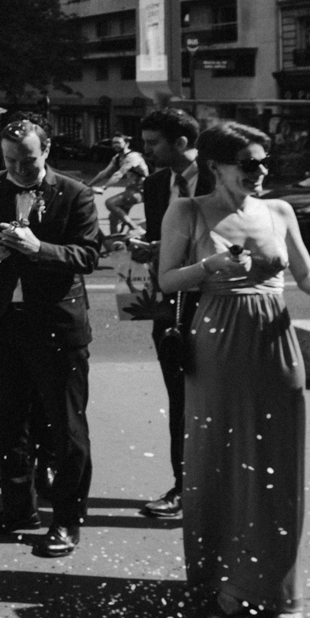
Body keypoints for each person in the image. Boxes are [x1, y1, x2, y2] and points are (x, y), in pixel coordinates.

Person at [156, 123, 310, 618]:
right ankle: (222, 584)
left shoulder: (280, 211)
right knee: (220, 460)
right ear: (217, 166)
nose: (261, 172)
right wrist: (212, 265)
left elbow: (306, 280)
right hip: (218, 342)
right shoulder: (189, 210)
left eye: (264, 162)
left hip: (275, 342)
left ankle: (274, 587)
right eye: (249, 163)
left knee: (276, 464)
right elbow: (167, 280)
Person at [0, 116, 102, 559]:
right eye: (11, 160)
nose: (19, 168)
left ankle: (67, 521)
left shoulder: (75, 193)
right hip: (0, 323)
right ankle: (19, 509)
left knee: (66, 428)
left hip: (56, 326)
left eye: (29, 160)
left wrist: (40, 249)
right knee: (7, 420)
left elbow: (89, 254)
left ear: (48, 150)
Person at [124, 107, 216, 521]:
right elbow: (161, 236)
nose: (146, 150)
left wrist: (168, 250)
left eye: (152, 143)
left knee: (215, 399)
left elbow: (231, 239)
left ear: (181, 143)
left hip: (214, 302)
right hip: (170, 306)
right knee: (179, 398)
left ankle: (219, 486)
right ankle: (184, 486)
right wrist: (144, 246)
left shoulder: (220, 178)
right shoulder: (158, 183)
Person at [88, 135, 150, 235]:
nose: (115, 145)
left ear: (126, 144)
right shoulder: (117, 158)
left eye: (118, 142)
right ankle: (115, 241)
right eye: (114, 143)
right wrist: (87, 185)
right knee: (113, 218)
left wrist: (104, 187)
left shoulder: (132, 156)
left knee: (110, 203)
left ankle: (135, 228)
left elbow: (119, 174)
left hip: (142, 189)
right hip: (131, 189)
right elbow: (104, 173)